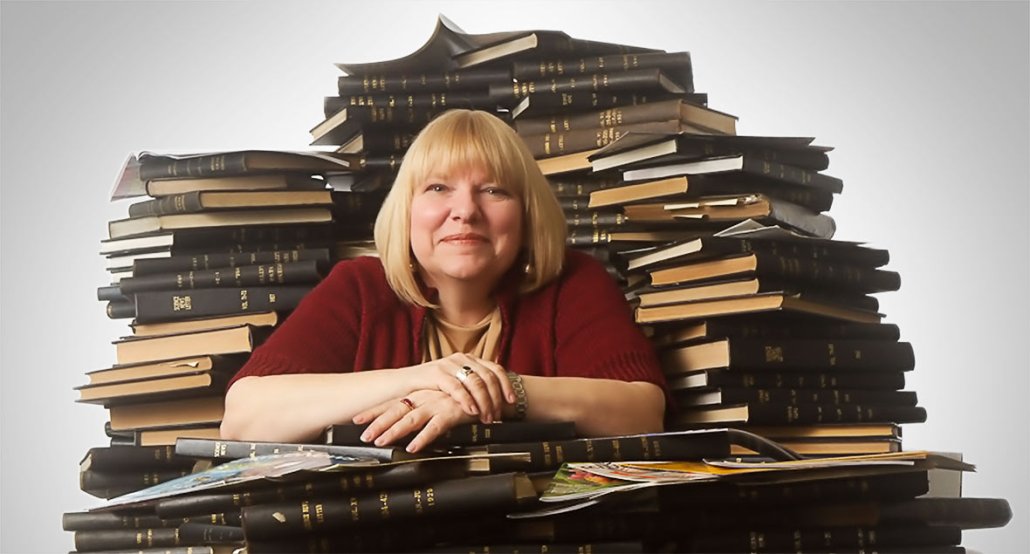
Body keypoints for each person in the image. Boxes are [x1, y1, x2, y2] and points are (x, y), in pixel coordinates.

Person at [220, 109, 667, 453]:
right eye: (438, 188)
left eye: (494, 190)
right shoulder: (359, 286)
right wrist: (422, 379)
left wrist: (499, 393)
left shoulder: (573, 283)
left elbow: (643, 412)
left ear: (527, 214)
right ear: (407, 210)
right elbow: (243, 419)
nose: (466, 211)